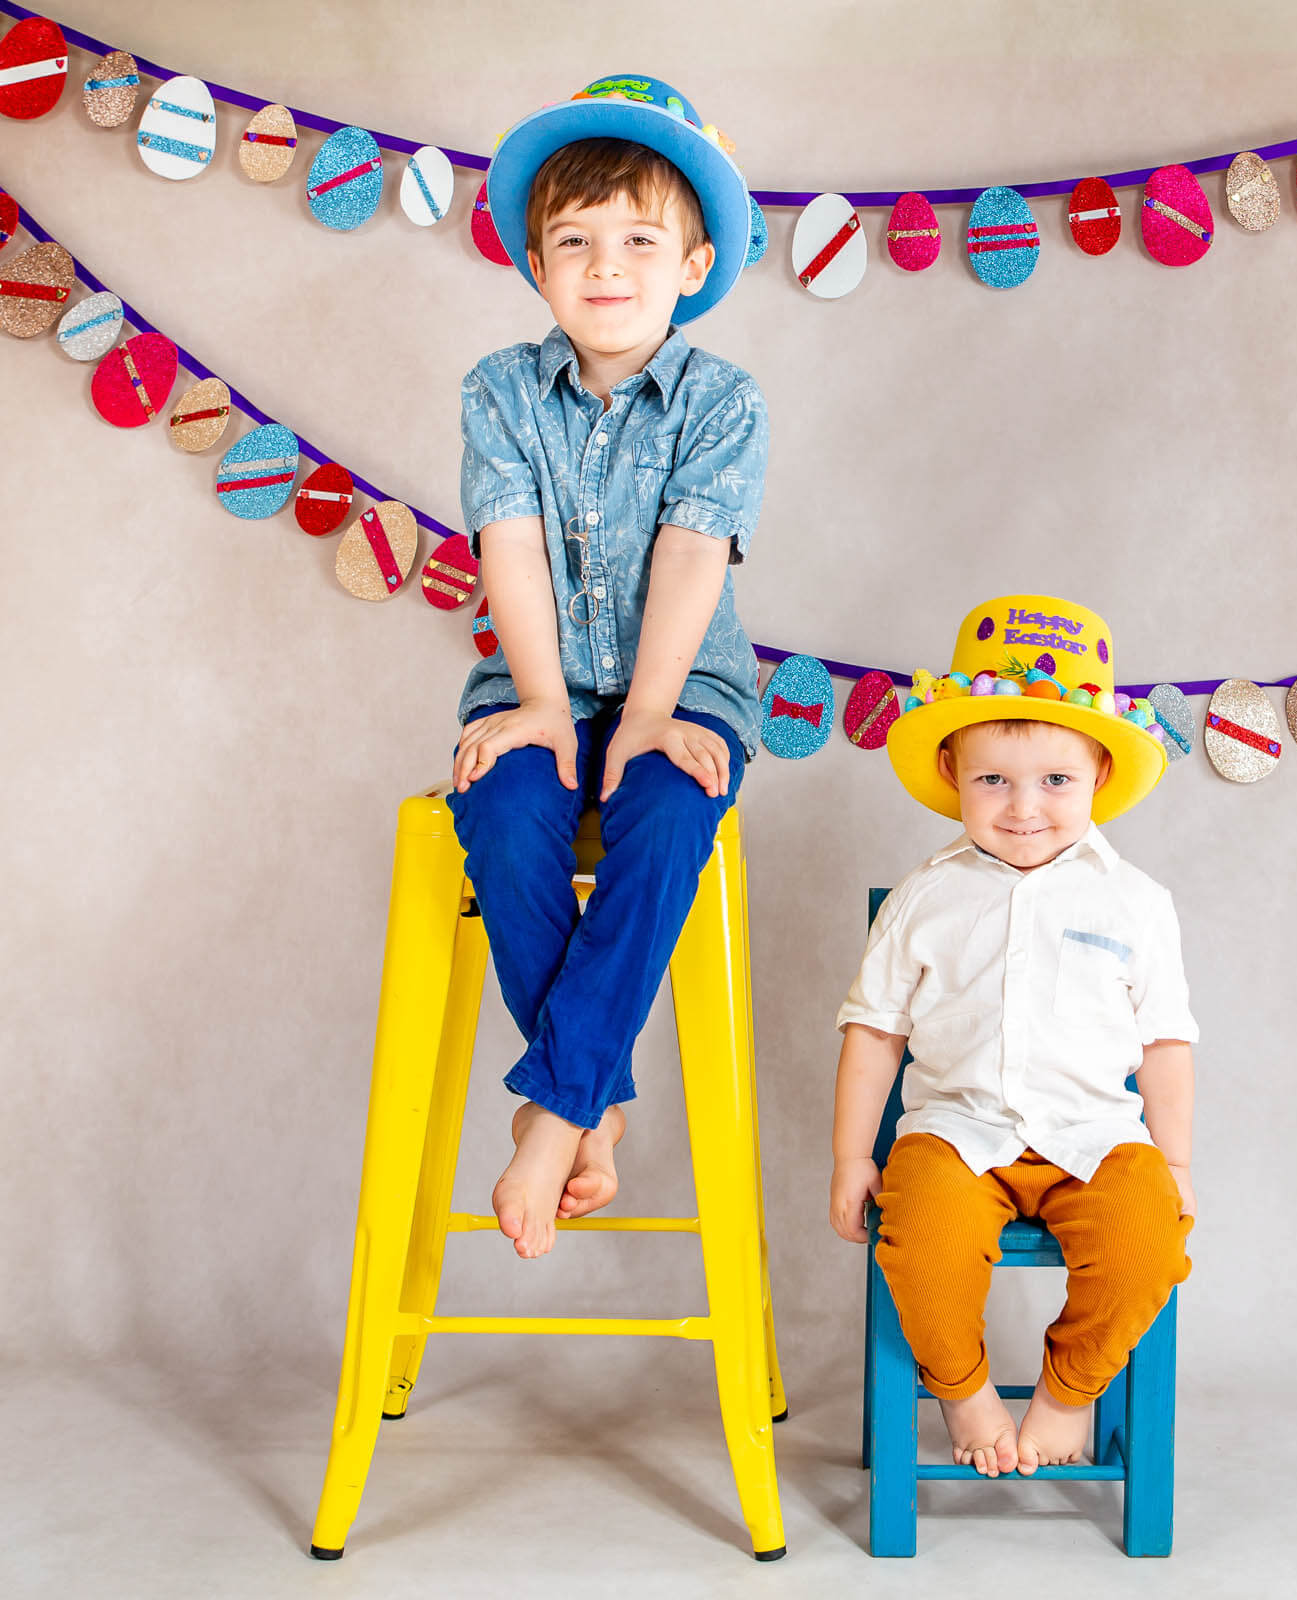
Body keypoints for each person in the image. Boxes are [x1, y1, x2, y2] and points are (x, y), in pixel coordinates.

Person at [447, 76, 768, 1260]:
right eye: (575, 241)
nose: (605, 266)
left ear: (692, 264)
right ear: (536, 264)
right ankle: (591, 1095)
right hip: (535, 679)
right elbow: (510, 545)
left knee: (670, 809)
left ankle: (552, 1113)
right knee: (505, 805)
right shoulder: (498, 390)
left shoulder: (721, 401)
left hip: (684, 691)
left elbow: (690, 553)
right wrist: (542, 701)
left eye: (639, 240)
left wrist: (646, 714)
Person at [830, 594, 1198, 1476]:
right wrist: (849, 1157)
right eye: (993, 779)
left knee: (1148, 1245)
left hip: (1095, 1136)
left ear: (1099, 774)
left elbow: (1164, 1043)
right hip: (956, 1135)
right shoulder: (925, 897)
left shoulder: (1137, 903)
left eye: (1055, 781)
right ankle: (964, 1392)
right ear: (952, 770)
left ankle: (1069, 1395)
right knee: (921, 1243)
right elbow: (874, 1034)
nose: (1024, 806)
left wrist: (1177, 1162)